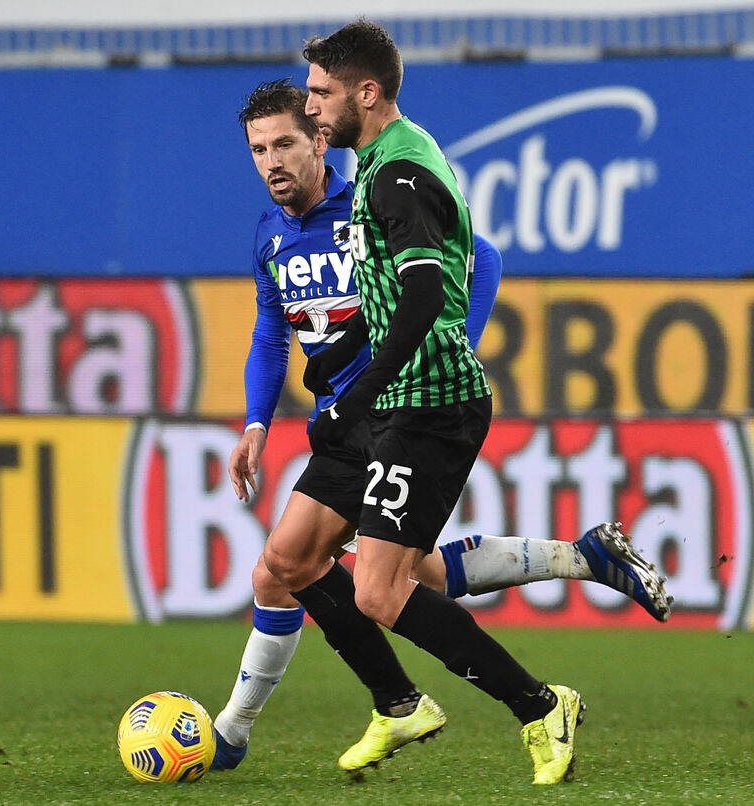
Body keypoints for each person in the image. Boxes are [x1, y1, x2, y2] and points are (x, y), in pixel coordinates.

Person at [214, 78, 671, 780]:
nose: (271, 160)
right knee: (302, 565)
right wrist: (254, 423)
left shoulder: (367, 198)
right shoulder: (270, 235)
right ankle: (572, 569)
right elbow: (272, 334)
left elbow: (477, 257)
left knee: (373, 582)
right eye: (256, 149)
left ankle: (495, 701)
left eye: (284, 143)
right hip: (344, 419)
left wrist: (449, 346)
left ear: (319, 141)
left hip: (402, 410)